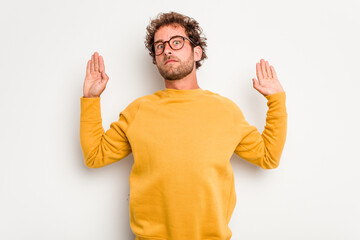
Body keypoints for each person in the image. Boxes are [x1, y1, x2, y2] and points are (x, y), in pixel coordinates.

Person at [80, 11, 287, 240]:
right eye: (159, 46)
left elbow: (268, 157)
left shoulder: (226, 111)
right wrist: (91, 100)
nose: (167, 49)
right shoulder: (138, 111)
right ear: (156, 58)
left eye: (176, 42)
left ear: (196, 51)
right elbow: (95, 156)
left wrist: (276, 100)